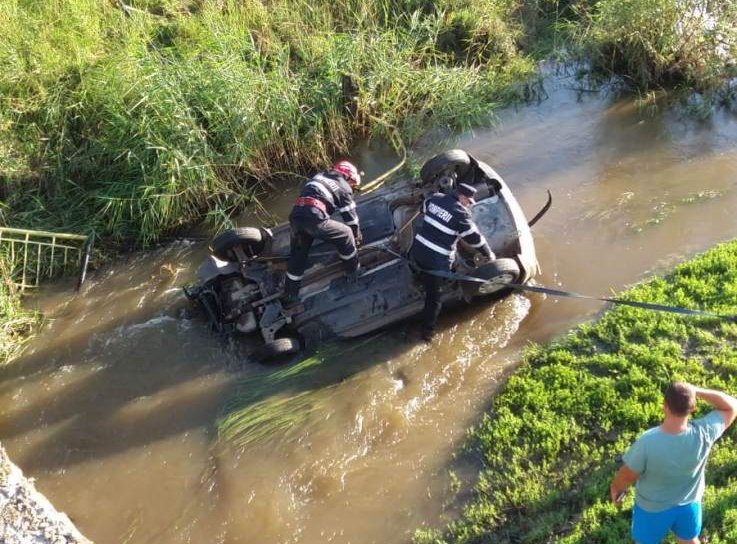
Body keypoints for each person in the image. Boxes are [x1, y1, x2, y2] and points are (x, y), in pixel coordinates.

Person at [610, 382, 737, 544]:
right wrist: (696, 391)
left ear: (665, 406)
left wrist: (616, 490)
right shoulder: (704, 433)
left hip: (651, 510)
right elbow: (732, 406)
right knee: (689, 540)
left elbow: (626, 477)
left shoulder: (647, 442)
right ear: (692, 408)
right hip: (689, 505)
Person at [409, 182, 493, 341]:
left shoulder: (434, 198)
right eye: (468, 201)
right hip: (436, 261)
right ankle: (427, 332)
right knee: (434, 299)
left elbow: (424, 210)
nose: (469, 205)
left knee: (423, 268)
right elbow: (475, 239)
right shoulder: (461, 214)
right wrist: (488, 253)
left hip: (417, 250)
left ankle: (419, 277)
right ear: (461, 197)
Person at [283, 160, 363, 305]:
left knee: (298, 255)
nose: (352, 188)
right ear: (348, 177)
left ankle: (290, 293)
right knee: (346, 234)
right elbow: (351, 219)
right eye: (353, 184)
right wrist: (356, 236)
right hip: (314, 218)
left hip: (297, 217)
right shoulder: (344, 187)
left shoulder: (320, 176)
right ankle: (353, 271)